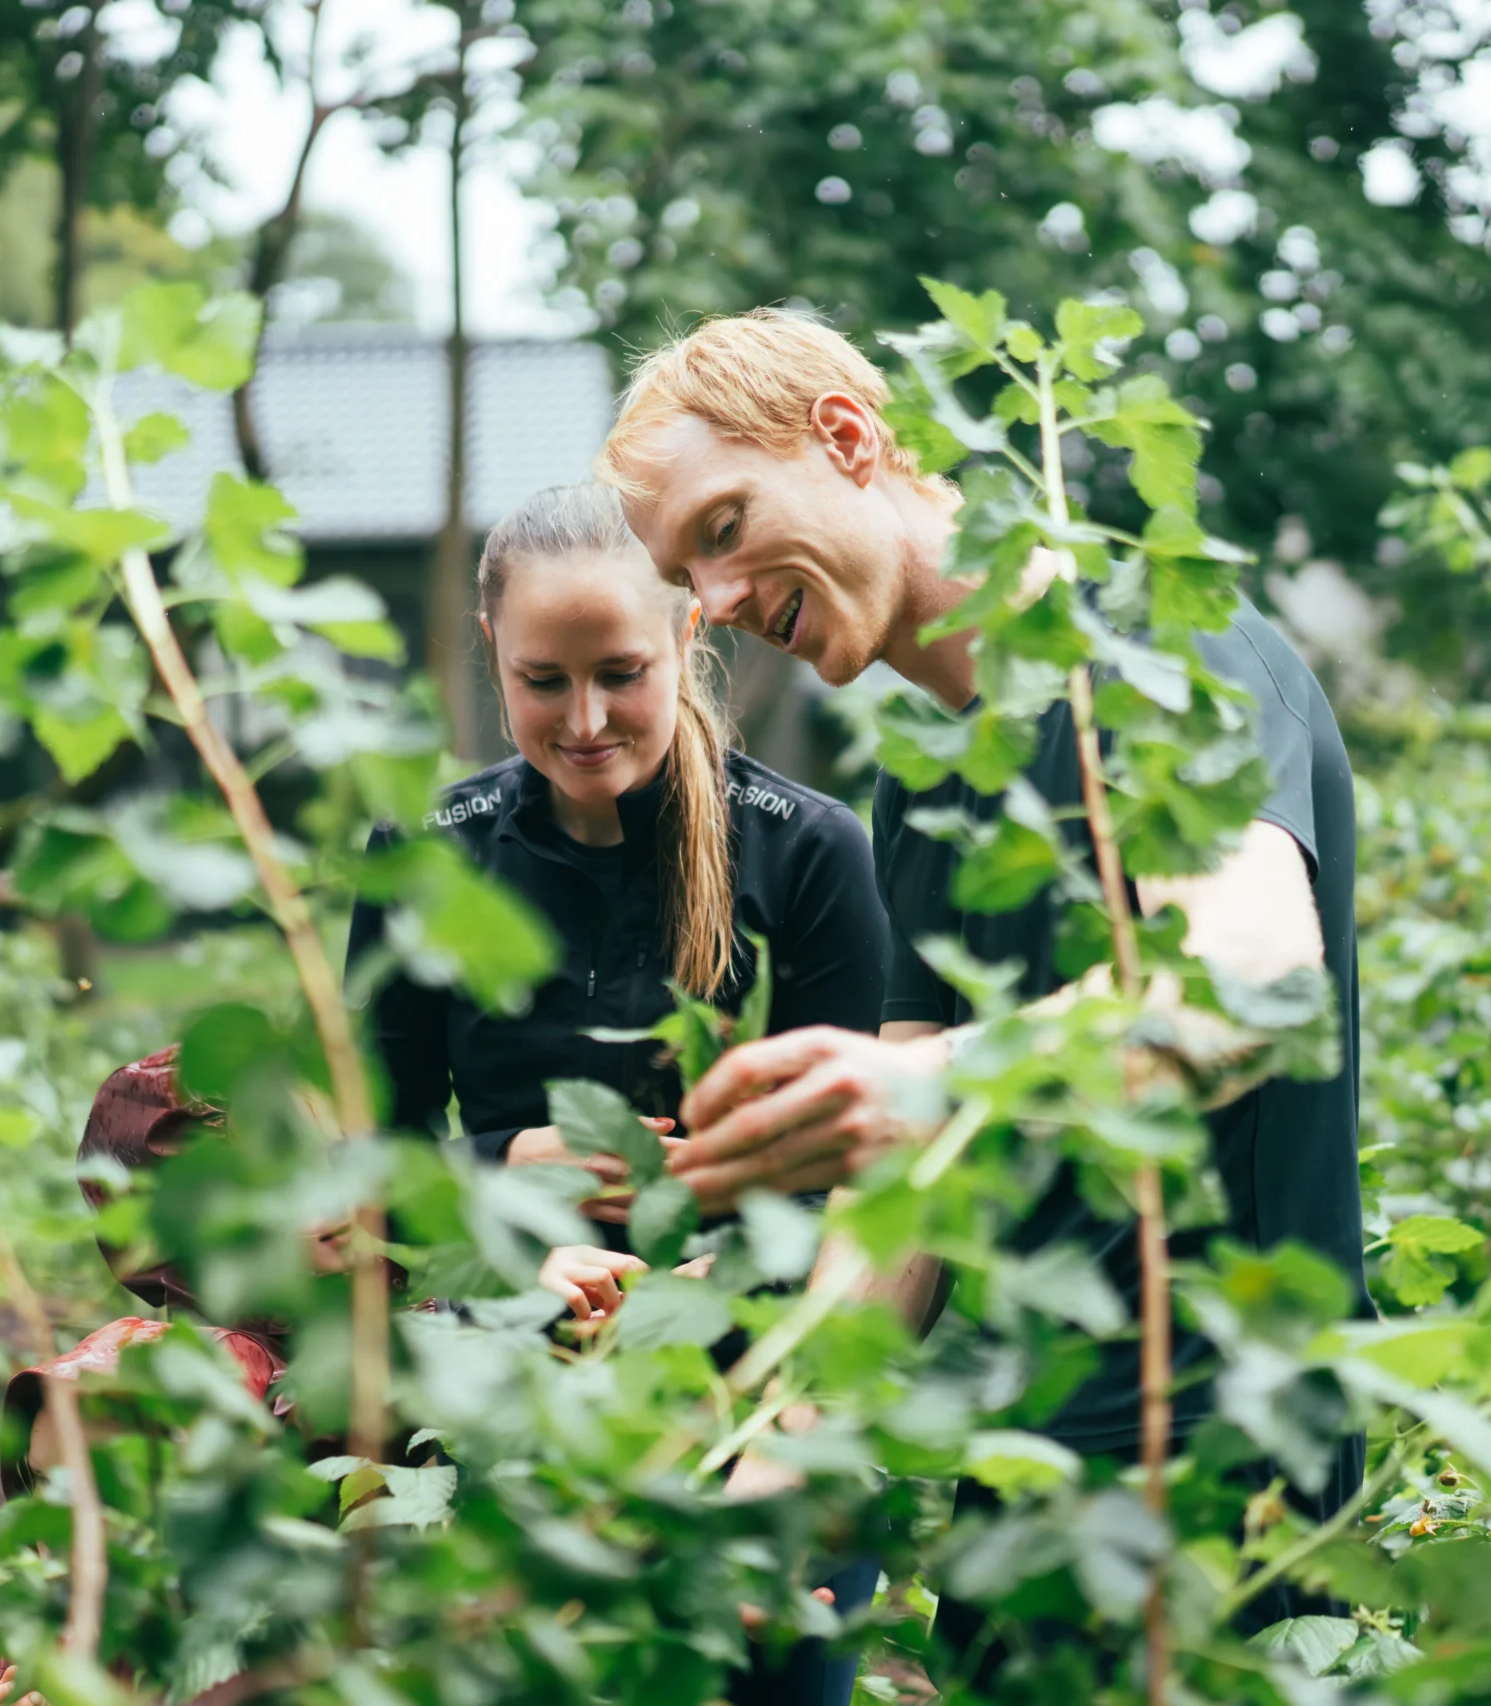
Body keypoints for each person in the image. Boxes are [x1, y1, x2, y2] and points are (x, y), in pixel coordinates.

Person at [596, 308, 1373, 1689]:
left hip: (1232, 1474)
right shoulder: (928, 777)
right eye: (682, 575)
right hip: (1033, 1476)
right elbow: (916, 1210)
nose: (709, 606)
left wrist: (924, 1080)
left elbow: (1257, 984)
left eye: (721, 528)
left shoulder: (1150, 641)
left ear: (846, 436)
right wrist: (772, 1462)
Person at [345, 481, 891, 1704]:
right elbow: (370, 1158)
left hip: (760, 1393)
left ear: (689, 634)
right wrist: (498, 1188)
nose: (585, 718)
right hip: (503, 1385)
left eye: (622, 672)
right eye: (545, 679)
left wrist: (720, 1284)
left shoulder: (809, 853)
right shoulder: (426, 853)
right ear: (493, 650)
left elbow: (864, 1179)